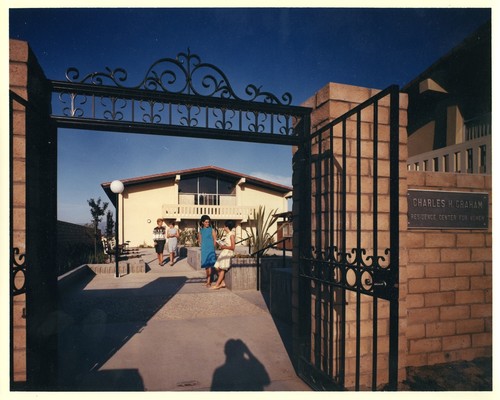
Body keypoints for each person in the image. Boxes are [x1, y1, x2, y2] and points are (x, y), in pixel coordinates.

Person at [211, 220, 235, 290]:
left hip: (228, 253)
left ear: (227, 227)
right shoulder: (228, 234)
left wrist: (224, 247)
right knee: (216, 266)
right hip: (224, 252)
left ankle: (217, 284)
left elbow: (233, 247)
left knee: (221, 269)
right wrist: (221, 244)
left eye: (224, 226)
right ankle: (223, 282)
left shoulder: (231, 235)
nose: (223, 227)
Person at [198, 214, 217, 287]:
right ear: (202, 222)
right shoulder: (201, 231)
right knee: (206, 266)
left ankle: (209, 281)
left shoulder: (212, 230)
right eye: (206, 222)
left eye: (208, 222)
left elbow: (215, 240)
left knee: (210, 266)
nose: (207, 223)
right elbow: (200, 241)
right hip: (204, 250)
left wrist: (213, 249)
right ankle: (208, 279)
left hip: (210, 249)